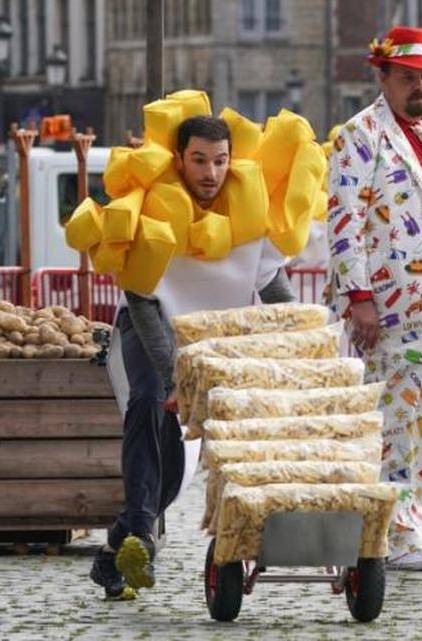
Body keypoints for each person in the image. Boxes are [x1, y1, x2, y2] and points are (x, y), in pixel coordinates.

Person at [84, 114, 296, 599]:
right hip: (148, 333)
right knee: (147, 401)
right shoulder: (155, 212)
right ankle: (140, 533)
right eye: (199, 160)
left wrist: (310, 342)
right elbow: (141, 300)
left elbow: (274, 289)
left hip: (210, 343)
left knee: (173, 479)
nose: (210, 172)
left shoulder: (249, 214)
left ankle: (114, 553)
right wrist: (174, 375)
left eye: (220, 161)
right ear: (180, 160)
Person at [326, 25, 422, 571]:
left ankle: (407, 526)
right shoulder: (359, 134)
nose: (420, 88)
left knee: (419, 419)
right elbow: (344, 221)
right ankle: (389, 537)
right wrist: (358, 295)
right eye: (409, 77)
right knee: (389, 421)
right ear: (383, 76)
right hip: (385, 308)